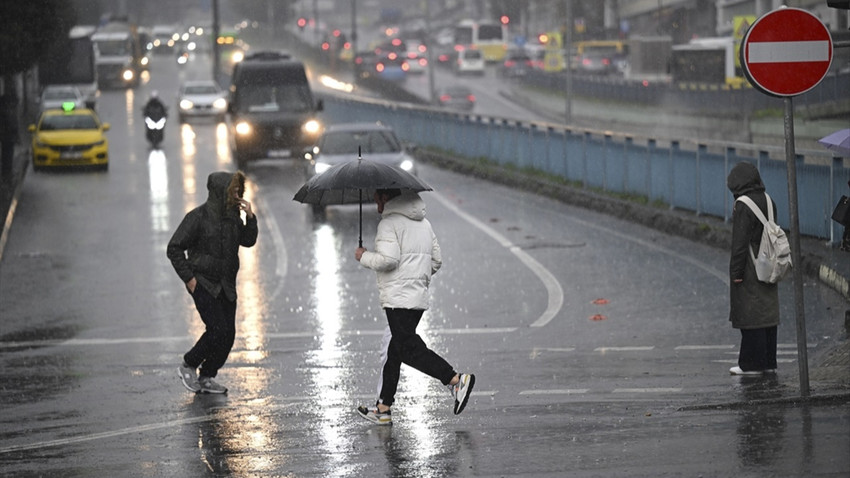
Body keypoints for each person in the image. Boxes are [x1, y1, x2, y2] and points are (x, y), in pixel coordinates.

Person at [354, 188, 475, 425]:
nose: (374, 201)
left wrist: (364, 256)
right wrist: (416, 276)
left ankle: (455, 379)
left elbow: (388, 260)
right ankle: (383, 407)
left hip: (398, 299)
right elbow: (436, 260)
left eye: (376, 196)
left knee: (407, 348)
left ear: (385, 197)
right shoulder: (424, 223)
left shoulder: (389, 224)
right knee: (395, 350)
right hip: (416, 298)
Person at [167, 171, 258, 393]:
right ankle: (188, 364)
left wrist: (251, 218)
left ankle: (207, 376)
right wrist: (189, 279)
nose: (237, 193)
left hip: (226, 285)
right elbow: (174, 248)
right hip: (204, 283)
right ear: (221, 192)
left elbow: (247, 241)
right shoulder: (197, 217)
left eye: (239, 189)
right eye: (233, 190)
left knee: (228, 336)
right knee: (217, 329)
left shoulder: (233, 218)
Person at [727, 162, 779, 376]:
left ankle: (750, 363)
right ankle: (768, 361)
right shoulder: (769, 200)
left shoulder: (743, 204)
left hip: (751, 264)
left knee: (750, 313)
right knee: (767, 312)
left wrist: (736, 273)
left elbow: (739, 243)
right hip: (769, 262)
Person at [0, 94, 19, 177]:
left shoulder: (6, 110)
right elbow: (12, 124)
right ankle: (7, 172)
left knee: (6, 154)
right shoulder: (7, 111)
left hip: (6, 136)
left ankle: (6, 171)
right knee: (8, 154)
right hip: (7, 136)